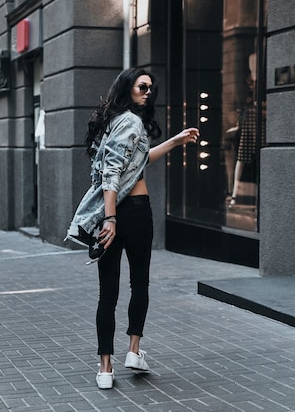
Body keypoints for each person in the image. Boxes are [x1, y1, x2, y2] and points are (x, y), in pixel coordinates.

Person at [66, 68, 199, 390]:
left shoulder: (113, 122)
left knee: (107, 293)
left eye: (152, 87)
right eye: (143, 86)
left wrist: (175, 141)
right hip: (133, 213)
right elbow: (112, 173)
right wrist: (110, 219)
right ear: (128, 87)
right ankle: (134, 351)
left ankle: (106, 368)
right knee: (138, 284)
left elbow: (135, 163)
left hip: (115, 214)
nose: (149, 91)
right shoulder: (131, 121)